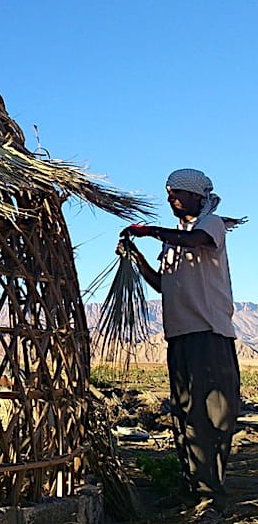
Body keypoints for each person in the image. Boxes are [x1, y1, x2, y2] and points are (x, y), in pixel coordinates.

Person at [119, 168, 244, 520]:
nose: (171, 198)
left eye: (177, 192)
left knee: (212, 416)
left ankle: (211, 498)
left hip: (209, 335)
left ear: (196, 196)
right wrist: (136, 257)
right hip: (179, 337)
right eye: (168, 192)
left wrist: (149, 231)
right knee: (186, 414)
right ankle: (191, 491)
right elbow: (163, 285)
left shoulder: (210, 226)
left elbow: (195, 242)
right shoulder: (173, 243)